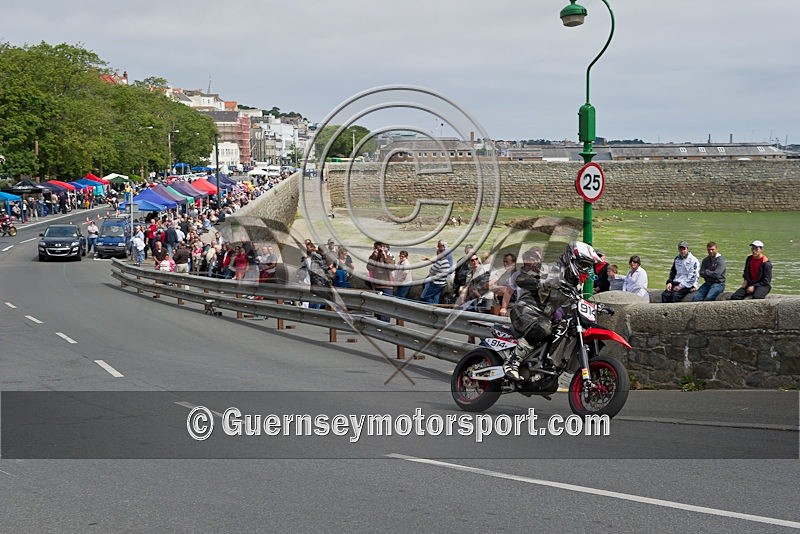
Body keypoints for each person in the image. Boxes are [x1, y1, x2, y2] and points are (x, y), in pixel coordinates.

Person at [503, 242, 601, 380]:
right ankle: (512, 362)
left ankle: (546, 366)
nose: (585, 269)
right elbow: (520, 279)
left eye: (588, 266)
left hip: (545, 316)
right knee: (544, 327)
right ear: (572, 259)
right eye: (583, 264)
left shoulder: (576, 283)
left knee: (567, 329)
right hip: (526, 309)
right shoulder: (548, 268)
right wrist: (543, 282)